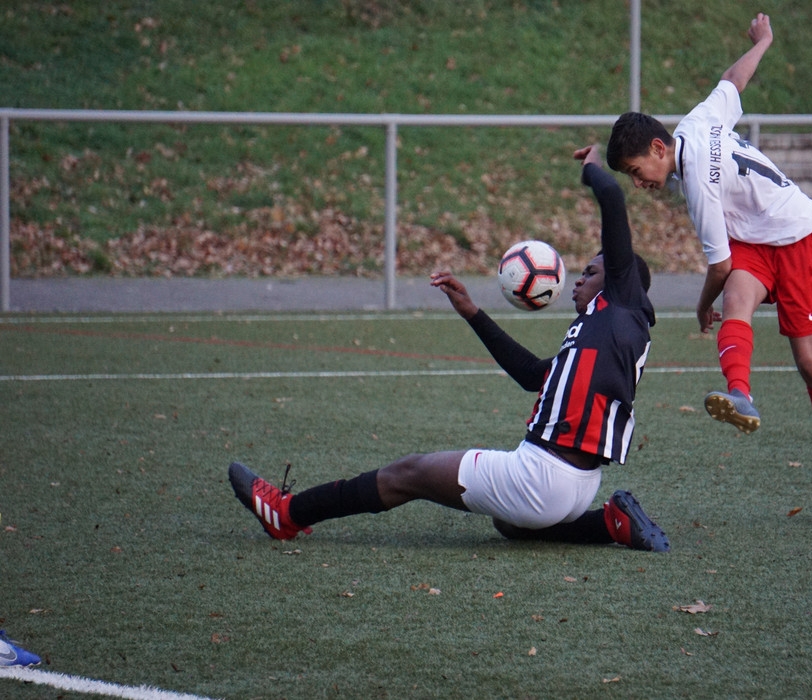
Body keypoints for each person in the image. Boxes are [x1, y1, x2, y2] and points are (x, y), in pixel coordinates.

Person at [228, 144, 670, 552]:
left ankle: (285, 514)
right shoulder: (609, 331)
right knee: (510, 524)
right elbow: (533, 376)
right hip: (576, 487)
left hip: (544, 476)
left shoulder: (620, 303)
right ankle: (607, 524)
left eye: (590, 272)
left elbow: (612, 198)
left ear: (616, 277)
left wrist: (593, 165)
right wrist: (473, 312)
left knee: (411, 473)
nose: (578, 279)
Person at [603, 13, 812, 526]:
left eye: (638, 172)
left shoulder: (697, 180)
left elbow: (719, 265)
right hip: (756, 239)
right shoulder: (694, 123)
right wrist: (764, 41)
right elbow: (733, 81)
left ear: (659, 150)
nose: (640, 183)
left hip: (797, 237)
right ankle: (741, 394)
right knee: (739, 301)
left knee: (810, 362)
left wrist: (701, 307)